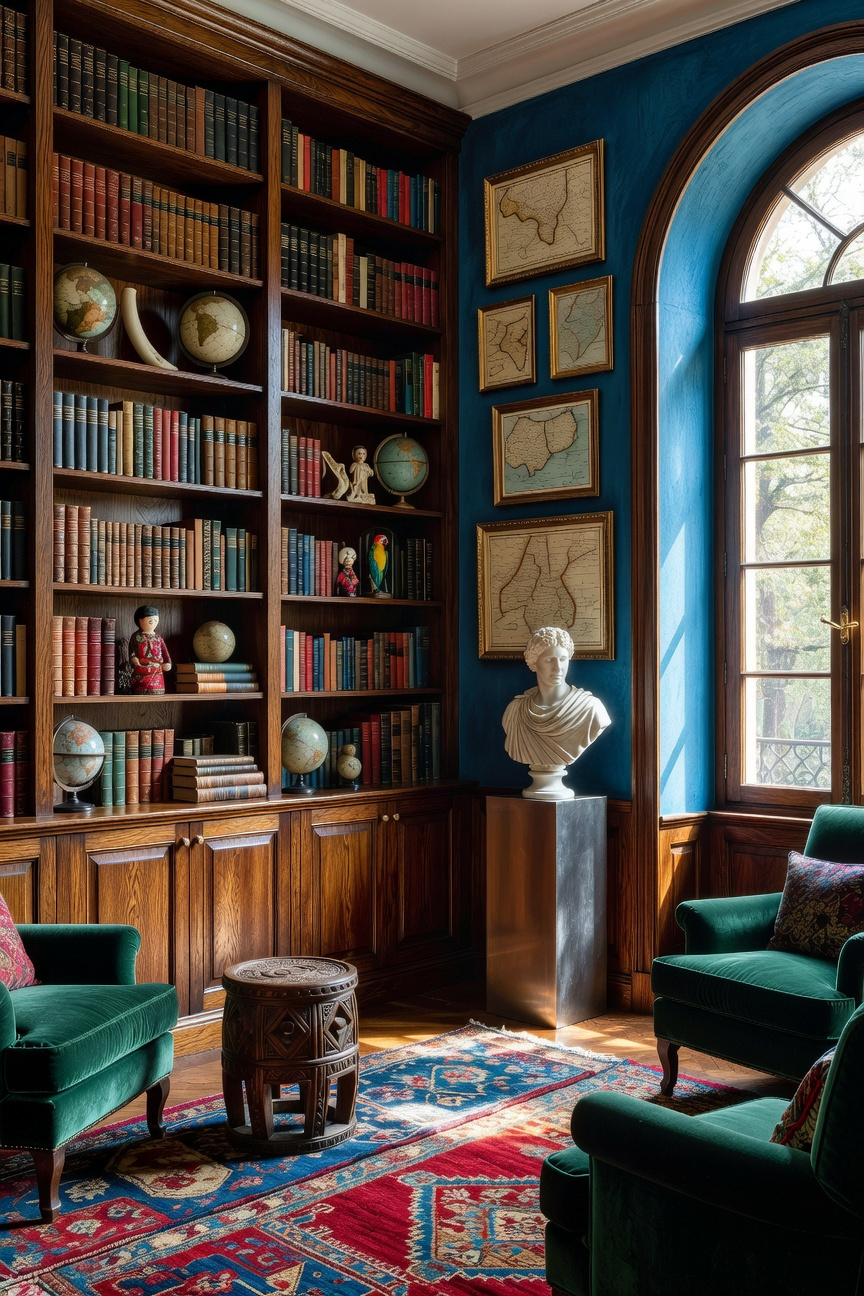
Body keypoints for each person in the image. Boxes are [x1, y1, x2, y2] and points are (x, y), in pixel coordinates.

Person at [502, 626, 610, 797]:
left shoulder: (590, 709)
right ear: (533, 663)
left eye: (563, 659)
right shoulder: (515, 711)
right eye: (549, 660)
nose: (558, 668)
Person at [129, 605, 172, 695]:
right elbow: (132, 651)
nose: (154, 623)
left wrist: (167, 663)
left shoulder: (158, 638)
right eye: (151, 621)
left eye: (156, 620)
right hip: (141, 667)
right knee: (140, 681)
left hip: (157, 669)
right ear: (140, 621)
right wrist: (134, 660)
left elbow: (165, 653)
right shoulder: (136, 637)